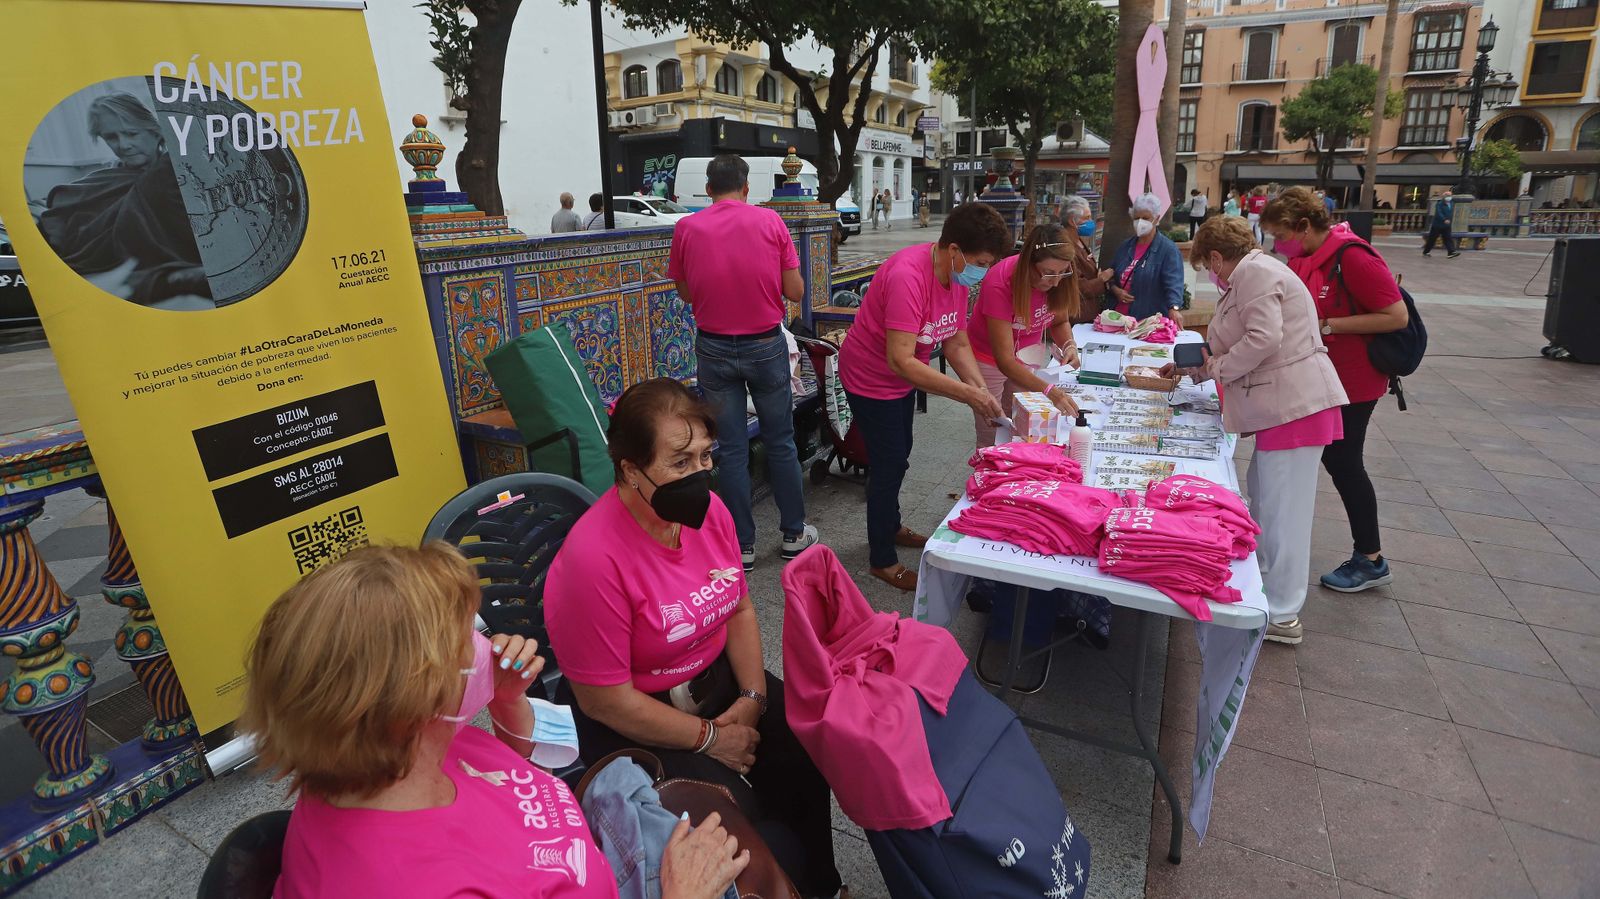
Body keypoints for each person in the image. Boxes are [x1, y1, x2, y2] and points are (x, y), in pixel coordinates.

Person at [245, 543, 749, 898]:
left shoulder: (405, 751)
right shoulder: (413, 884)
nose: (485, 642)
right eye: (465, 634)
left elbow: (496, 793)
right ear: (410, 699)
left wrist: (507, 702)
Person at [545, 379, 844, 898]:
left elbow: (740, 608)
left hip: (718, 683)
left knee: (806, 746)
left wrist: (752, 698)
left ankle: (821, 885)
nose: (700, 474)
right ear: (630, 470)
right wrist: (711, 739)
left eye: (706, 456)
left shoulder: (711, 516)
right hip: (634, 719)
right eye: (679, 462)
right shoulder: (592, 561)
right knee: (727, 820)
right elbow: (606, 701)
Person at [1165, 217, 1349, 645]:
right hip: (1281, 409)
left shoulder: (1256, 273)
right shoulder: (1250, 275)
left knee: (1285, 514)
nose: (1212, 276)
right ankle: (1266, 591)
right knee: (1266, 499)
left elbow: (1264, 338)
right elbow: (1236, 336)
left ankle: (1283, 613)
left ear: (1216, 256)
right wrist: (1199, 363)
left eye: (1208, 267)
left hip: (1294, 407)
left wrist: (1218, 370)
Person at [838, 203, 1010, 591]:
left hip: (900, 380)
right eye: (980, 261)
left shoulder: (956, 278)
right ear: (954, 250)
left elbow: (956, 339)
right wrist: (968, 394)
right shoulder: (908, 277)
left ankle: (891, 524)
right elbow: (900, 360)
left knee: (901, 453)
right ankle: (881, 559)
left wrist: (979, 388)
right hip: (870, 378)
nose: (982, 270)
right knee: (888, 463)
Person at [667, 154, 817, 571]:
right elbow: (795, 292)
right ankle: (793, 535)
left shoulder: (687, 227)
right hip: (765, 345)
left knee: (730, 450)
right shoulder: (770, 222)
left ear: (708, 190)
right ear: (746, 188)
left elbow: (685, 293)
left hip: (713, 348)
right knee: (781, 441)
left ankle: (742, 547)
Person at [1262, 186, 1408, 595]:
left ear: (1304, 227)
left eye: (1281, 236)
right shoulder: (1307, 257)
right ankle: (1369, 556)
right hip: (1323, 378)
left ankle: (1371, 559)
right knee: (1338, 462)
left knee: (1345, 464)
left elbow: (1395, 315)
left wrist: (1329, 326)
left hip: (1354, 382)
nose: (1278, 246)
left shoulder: (1352, 257)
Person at [37, 92, 211, 307]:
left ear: (155, 131)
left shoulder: (181, 172)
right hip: (123, 275)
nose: (123, 145)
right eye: (111, 137)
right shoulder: (97, 184)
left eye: (131, 133)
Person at [967, 223, 1082, 448]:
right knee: (992, 426)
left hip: (1027, 355)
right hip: (987, 358)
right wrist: (1050, 392)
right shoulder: (1000, 281)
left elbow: (1059, 321)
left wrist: (1069, 345)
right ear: (1029, 263)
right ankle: (990, 475)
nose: (1056, 281)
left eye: (1062, 272)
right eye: (1048, 273)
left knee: (1024, 423)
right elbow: (1005, 361)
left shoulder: (1059, 281)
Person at [1102, 192, 1185, 326]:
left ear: (1156, 219)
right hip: (1118, 320)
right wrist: (1115, 290)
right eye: (1137, 218)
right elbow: (1112, 275)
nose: (1140, 222)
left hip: (1147, 322)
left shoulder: (1168, 250)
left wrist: (1174, 308)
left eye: (1146, 218)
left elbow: (1174, 283)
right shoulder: (1125, 247)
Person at [1060, 195, 1110, 322]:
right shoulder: (1065, 247)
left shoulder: (1079, 241)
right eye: (1086, 218)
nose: (1091, 222)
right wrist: (1102, 279)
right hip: (1076, 317)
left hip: (1089, 312)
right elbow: (1079, 287)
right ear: (1072, 221)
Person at [1422, 191, 1461, 258]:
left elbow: (1451, 213)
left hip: (1447, 225)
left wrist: (1449, 220)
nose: (1449, 197)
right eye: (1447, 195)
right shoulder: (1439, 204)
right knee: (1432, 239)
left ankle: (1451, 252)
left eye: (1450, 195)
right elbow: (1439, 213)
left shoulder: (1451, 203)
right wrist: (1444, 219)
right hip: (1437, 225)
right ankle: (1426, 251)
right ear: (1444, 196)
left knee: (1448, 238)